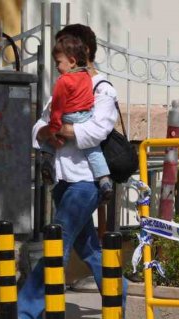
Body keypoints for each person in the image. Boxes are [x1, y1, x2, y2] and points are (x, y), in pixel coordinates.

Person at [18, 24, 127, 319]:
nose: (57, 62)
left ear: (83, 52)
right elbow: (39, 127)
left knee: (57, 243)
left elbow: (96, 131)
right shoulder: (63, 84)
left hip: (86, 181)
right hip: (62, 179)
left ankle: (28, 314)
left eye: (62, 53)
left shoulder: (102, 88)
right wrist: (48, 132)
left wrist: (61, 131)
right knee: (89, 249)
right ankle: (119, 306)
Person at [39, 34, 114, 203]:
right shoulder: (86, 76)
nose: (56, 67)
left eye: (58, 62)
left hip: (68, 117)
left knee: (50, 141)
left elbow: (57, 108)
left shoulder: (63, 81)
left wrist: (54, 128)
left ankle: (47, 162)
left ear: (72, 61)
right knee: (93, 151)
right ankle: (104, 180)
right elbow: (87, 99)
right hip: (85, 115)